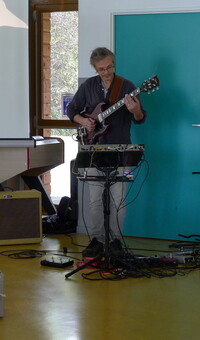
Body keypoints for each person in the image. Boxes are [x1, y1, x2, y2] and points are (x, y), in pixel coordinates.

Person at [66, 47, 146, 257]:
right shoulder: (88, 86)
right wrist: (84, 120)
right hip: (92, 151)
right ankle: (97, 240)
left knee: (119, 201)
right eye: (101, 69)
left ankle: (116, 240)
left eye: (109, 67)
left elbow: (140, 118)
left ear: (114, 63)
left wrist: (134, 110)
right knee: (94, 200)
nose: (106, 72)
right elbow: (71, 110)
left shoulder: (127, 86)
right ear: (95, 68)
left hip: (123, 152)